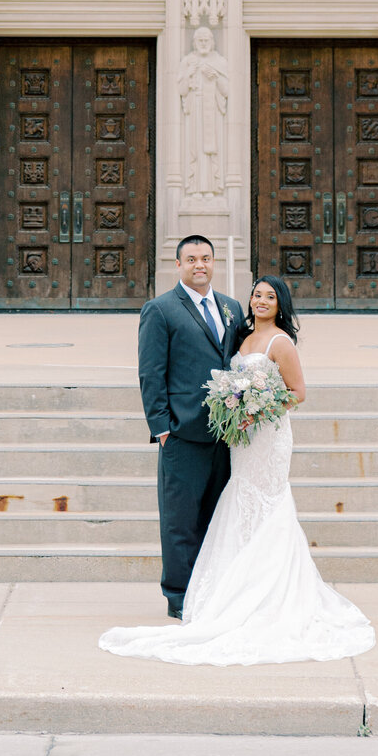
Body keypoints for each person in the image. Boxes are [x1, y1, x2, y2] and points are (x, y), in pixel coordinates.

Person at [100, 275, 375, 665]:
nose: (261, 301)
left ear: (281, 304)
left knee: (268, 506)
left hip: (268, 437)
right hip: (240, 441)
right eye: (257, 294)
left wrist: (258, 410)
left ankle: (271, 590)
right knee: (238, 502)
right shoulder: (241, 334)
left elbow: (298, 392)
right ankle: (235, 589)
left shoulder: (281, 342)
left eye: (270, 297)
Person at [131, 234, 244, 619]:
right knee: (180, 522)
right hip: (182, 435)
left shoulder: (230, 308)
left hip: (227, 435)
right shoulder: (160, 310)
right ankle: (179, 598)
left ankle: (215, 592)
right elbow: (150, 372)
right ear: (178, 264)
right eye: (192, 258)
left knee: (219, 518)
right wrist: (163, 428)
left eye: (207, 258)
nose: (200, 264)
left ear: (214, 263)